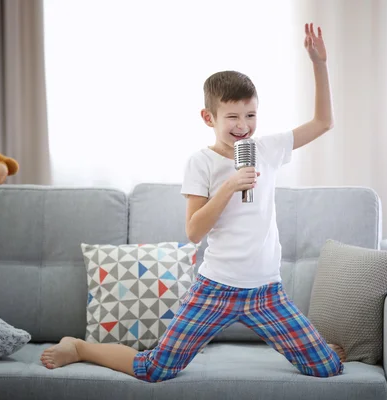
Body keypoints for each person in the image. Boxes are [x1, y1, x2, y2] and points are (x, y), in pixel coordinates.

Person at [40, 22, 345, 383]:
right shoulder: (200, 163)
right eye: (232, 116)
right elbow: (193, 231)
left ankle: (313, 346)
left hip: (266, 290)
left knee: (327, 367)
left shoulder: (267, 149)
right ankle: (79, 347)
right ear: (209, 118)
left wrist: (319, 63)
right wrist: (229, 186)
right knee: (155, 369)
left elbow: (324, 122)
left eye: (251, 115)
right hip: (215, 287)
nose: (243, 126)